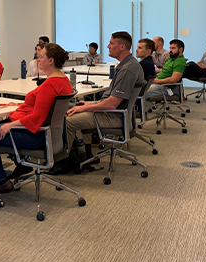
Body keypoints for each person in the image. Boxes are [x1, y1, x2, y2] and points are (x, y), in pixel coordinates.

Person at [0, 43, 74, 195]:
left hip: (37, 135)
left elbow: (36, 118)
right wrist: (21, 105)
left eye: (41, 57)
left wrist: (10, 126)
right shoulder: (63, 81)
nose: (38, 59)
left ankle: (2, 182)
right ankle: (21, 164)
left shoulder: (50, 85)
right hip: (50, 135)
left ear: (51, 60)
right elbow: (43, 107)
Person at [53, 32, 145, 174]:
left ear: (122, 46)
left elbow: (112, 104)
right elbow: (111, 100)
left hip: (113, 116)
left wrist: (88, 108)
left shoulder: (128, 69)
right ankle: (85, 155)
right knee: (74, 108)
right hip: (112, 112)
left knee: (68, 120)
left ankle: (61, 162)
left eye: (111, 43)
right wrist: (89, 105)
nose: (108, 46)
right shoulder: (127, 64)